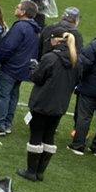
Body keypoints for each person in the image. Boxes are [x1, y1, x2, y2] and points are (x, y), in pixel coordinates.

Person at [17, 32, 78, 182]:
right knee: (49, 135)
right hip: (60, 105)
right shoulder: (75, 60)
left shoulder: (50, 58)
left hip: (42, 102)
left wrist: (33, 68)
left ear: (55, 41)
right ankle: (40, 172)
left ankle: (31, 171)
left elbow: (37, 78)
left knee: (36, 134)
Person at [0, 0, 40, 136]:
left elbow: (8, 47)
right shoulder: (33, 28)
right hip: (22, 68)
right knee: (12, 97)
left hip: (9, 68)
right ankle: (6, 124)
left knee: (2, 96)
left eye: (18, 7)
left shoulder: (20, 27)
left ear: (23, 12)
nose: (15, 8)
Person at [69, 33, 96, 157]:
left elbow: (83, 64)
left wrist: (80, 79)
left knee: (84, 117)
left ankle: (78, 145)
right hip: (91, 87)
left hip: (90, 89)